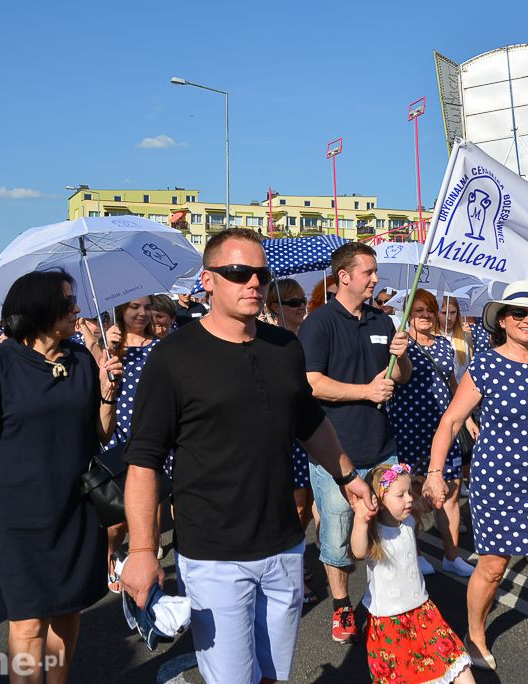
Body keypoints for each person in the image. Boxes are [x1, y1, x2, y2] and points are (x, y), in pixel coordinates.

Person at [121, 228, 372, 684]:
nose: (253, 282)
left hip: (284, 544)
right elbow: (144, 461)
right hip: (213, 554)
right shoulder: (173, 357)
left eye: (261, 273)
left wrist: (348, 476)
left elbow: (310, 422)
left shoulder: (286, 347)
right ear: (208, 280)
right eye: (238, 272)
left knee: (274, 675)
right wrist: (141, 550)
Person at [422, 281, 528, 684]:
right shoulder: (485, 365)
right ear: (502, 320)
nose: (527, 320)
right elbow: (450, 421)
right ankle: (475, 633)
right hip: (497, 484)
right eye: (518, 313)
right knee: (493, 569)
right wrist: (434, 472)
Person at [0, 270, 122, 683]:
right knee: (28, 623)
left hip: (76, 509)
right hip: (21, 515)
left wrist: (106, 393)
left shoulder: (81, 359)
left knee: (67, 611)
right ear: (40, 308)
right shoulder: (0, 361)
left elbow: (101, 434)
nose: (77, 310)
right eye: (68, 302)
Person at [298, 242, 411, 644]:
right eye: (368, 272)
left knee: (391, 529)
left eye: (375, 272)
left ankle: (389, 603)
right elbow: (312, 383)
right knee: (337, 537)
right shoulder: (319, 323)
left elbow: (399, 377)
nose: (376, 279)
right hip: (335, 453)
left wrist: (402, 357)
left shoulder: (382, 321)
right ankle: (342, 605)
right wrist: (365, 391)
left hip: (382, 448)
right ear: (344, 277)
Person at [351, 463, 475, 684]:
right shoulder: (375, 535)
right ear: (379, 502)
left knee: (456, 662)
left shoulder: (408, 521)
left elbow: (423, 504)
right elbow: (358, 551)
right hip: (390, 620)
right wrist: (360, 520)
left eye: (409, 492)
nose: (409, 498)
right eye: (401, 495)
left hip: (424, 612)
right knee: (408, 676)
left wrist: (433, 492)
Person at [389, 289, 475, 577]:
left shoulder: (444, 345)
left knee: (450, 492)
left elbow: (453, 385)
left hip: (443, 428)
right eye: (418, 311)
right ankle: (415, 554)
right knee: (412, 494)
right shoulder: (400, 345)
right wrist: (399, 352)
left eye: (429, 310)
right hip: (409, 428)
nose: (425, 315)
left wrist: (466, 417)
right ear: (407, 314)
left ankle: (452, 556)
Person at [265, 277, 320, 603]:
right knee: (296, 504)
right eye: (294, 302)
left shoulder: (310, 336)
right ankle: (291, 571)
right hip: (284, 432)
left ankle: (293, 561)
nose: (302, 307)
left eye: (304, 301)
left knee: (308, 503)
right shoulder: (270, 341)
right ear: (275, 307)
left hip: (313, 427)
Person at [103, 296, 159, 591]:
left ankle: (148, 572)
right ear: (121, 310)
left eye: (147, 307)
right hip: (117, 437)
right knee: (117, 518)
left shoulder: (160, 348)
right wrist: (109, 352)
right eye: (134, 307)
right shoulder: (108, 348)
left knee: (150, 512)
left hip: (153, 437)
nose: (142, 313)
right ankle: (111, 555)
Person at [439, 295, 475, 380]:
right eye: (444, 313)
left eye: (453, 312)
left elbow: (469, 366)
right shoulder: (431, 338)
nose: (449, 318)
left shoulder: (465, 336)